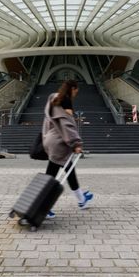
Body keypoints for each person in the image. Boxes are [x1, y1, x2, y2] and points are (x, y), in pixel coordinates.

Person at [42, 80, 93, 219]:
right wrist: (76, 143)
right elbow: (67, 125)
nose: (77, 93)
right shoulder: (66, 101)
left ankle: (81, 198)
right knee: (52, 177)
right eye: (76, 90)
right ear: (73, 88)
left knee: (66, 172)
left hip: (51, 140)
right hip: (60, 143)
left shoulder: (54, 99)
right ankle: (45, 207)